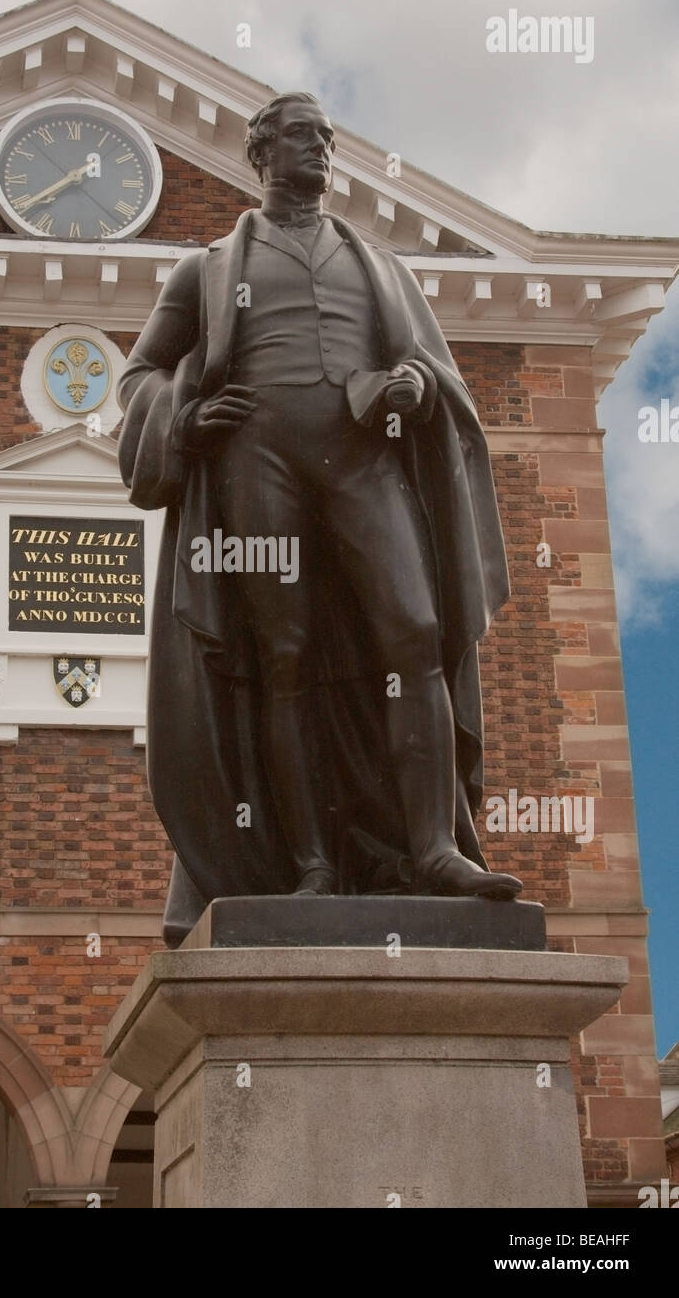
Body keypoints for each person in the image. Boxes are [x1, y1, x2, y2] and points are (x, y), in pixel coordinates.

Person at [118, 91, 522, 945]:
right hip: (255, 465)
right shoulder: (205, 270)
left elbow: (431, 369)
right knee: (283, 655)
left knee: (413, 630)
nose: (321, 149)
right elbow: (139, 379)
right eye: (304, 135)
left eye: (329, 138)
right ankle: (307, 863)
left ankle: (434, 849)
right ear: (262, 152)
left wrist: (415, 385)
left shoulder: (378, 266)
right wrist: (183, 420)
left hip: (364, 459)